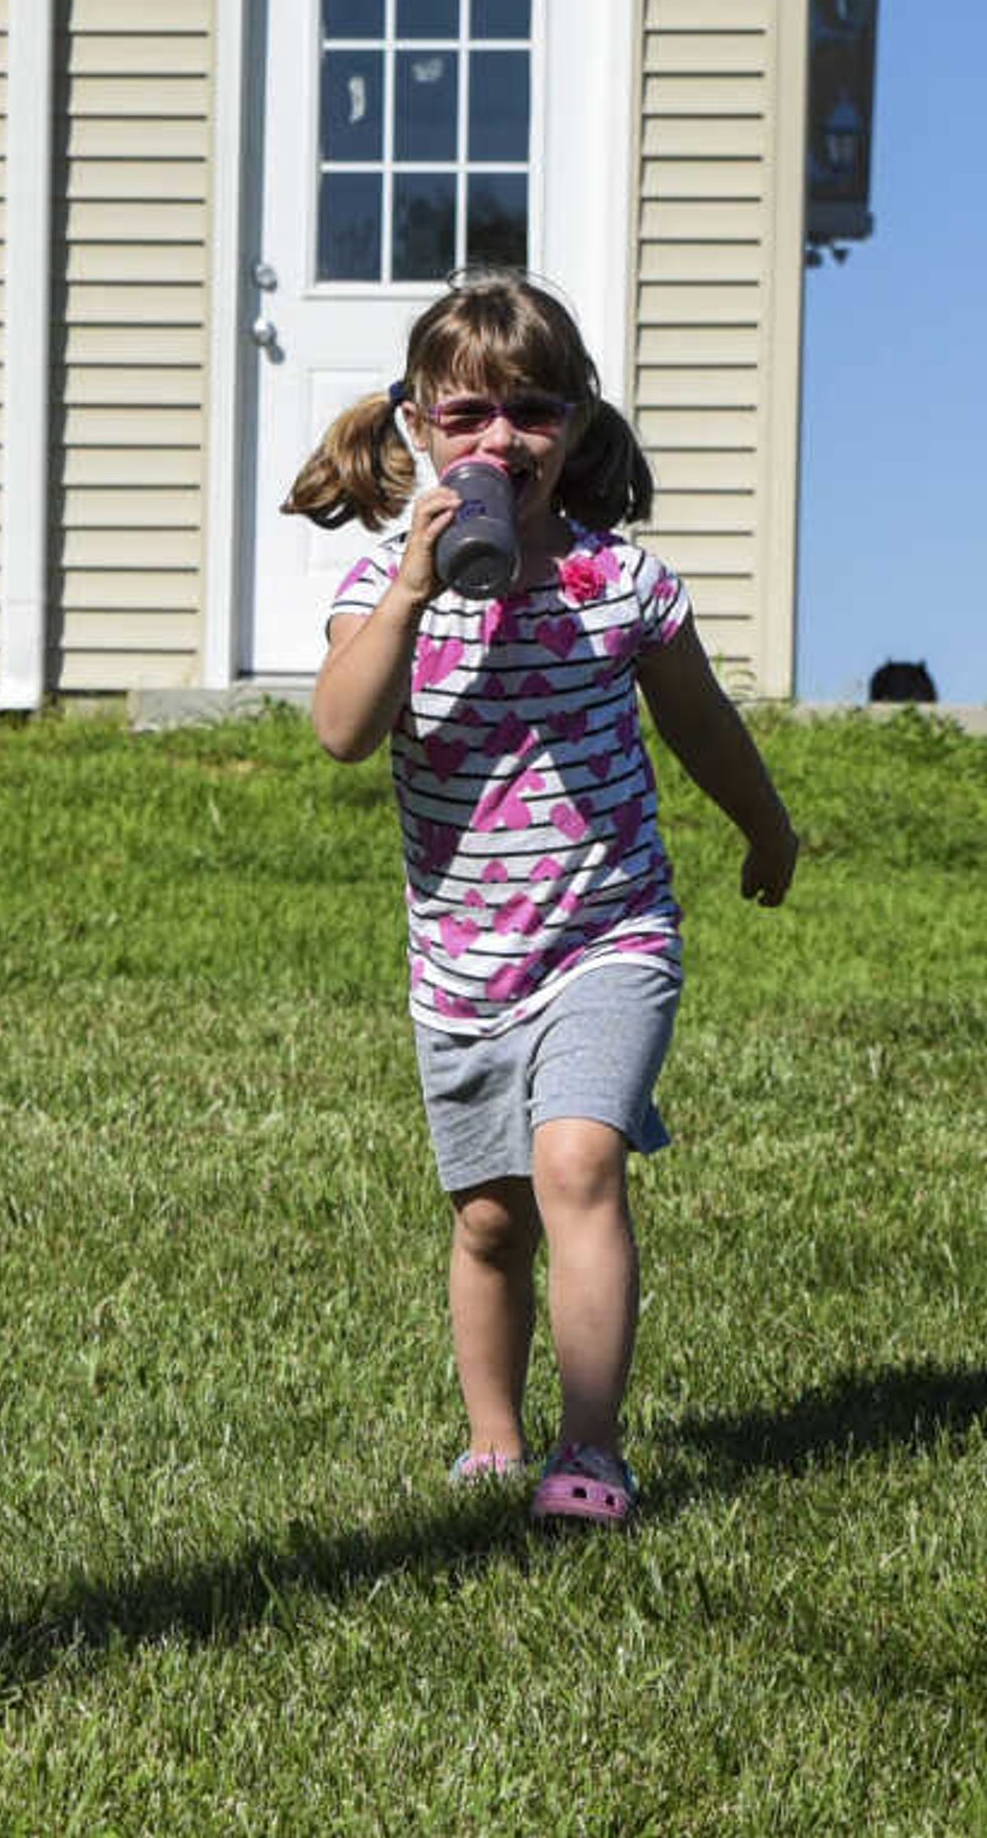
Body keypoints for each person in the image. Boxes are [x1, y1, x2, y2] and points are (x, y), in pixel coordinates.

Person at [287, 268, 797, 1531]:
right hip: (463, 967)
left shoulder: (617, 583)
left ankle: (592, 1449)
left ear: (573, 430)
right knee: (488, 1219)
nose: (497, 441)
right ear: (416, 426)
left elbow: (698, 719)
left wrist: (766, 821)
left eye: (530, 412)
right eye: (465, 416)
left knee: (577, 1163)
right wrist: (411, 584)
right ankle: (495, 1441)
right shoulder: (381, 594)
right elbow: (345, 732)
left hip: (608, 937)